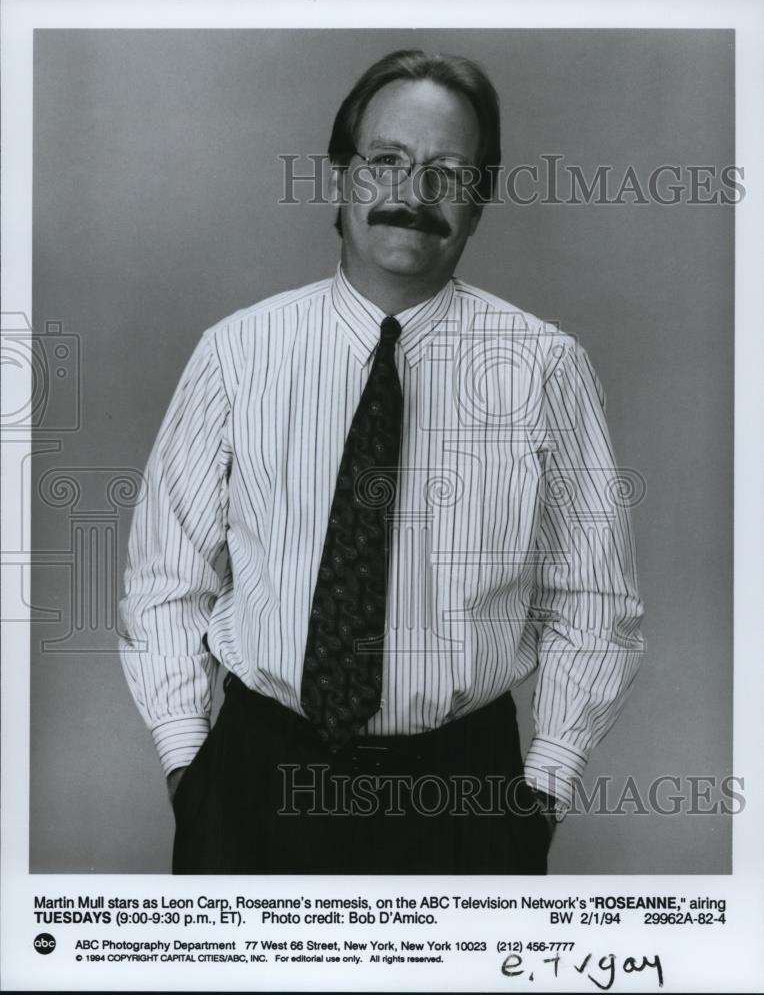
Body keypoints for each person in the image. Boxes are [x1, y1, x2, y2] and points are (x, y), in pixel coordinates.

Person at [119, 48, 645, 874]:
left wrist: (540, 794)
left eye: (448, 171)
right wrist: (192, 767)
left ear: (479, 201)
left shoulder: (548, 369)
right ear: (341, 177)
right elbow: (164, 578)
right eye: (387, 162)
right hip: (257, 781)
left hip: (464, 796)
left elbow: (595, 603)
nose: (413, 194)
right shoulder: (237, 353)